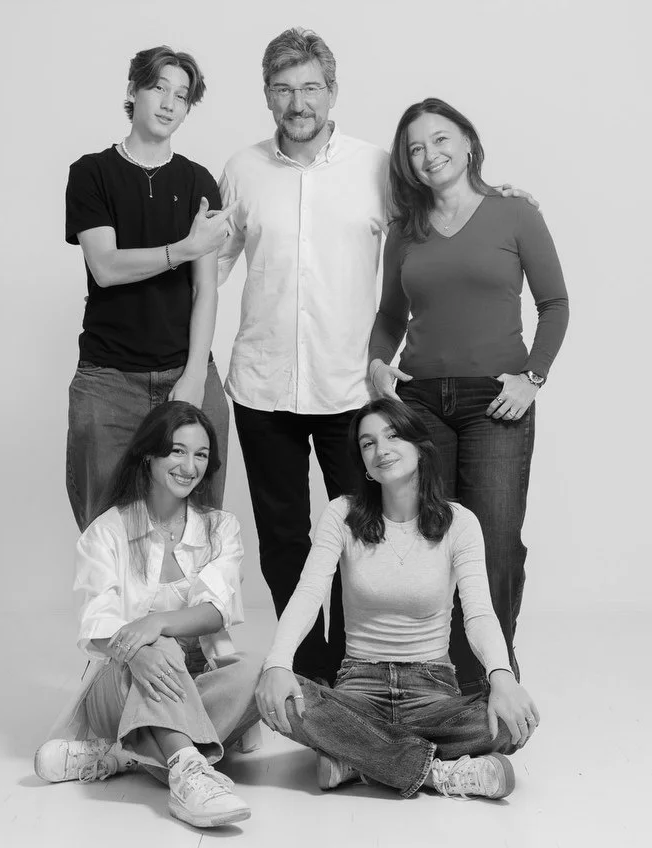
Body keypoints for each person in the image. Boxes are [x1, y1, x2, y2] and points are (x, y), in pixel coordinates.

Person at [218, 29, 536, 686]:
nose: (297, 101)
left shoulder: (374, 167)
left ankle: (364, 666)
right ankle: (313, 670)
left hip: (352, 392)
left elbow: (441, 204)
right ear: (268, 96)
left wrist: (500, 198)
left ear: (332, 92)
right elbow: (210, 266)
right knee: (284, 543)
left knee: (364, 540)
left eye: (310, 87)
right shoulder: (242, 170)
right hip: (261, 384)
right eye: (283, 88)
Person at [368, 98, 569, 695]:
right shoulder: (405, 230)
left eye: (440, 139)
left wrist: (531, 378)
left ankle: (492, 678)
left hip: (496, 402)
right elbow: (388, 315)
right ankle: (442, 675)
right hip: (421, 402)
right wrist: (378, 366)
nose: (430, 155)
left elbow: (554, 305)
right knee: (432, 540)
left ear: (468, 141)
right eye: (415, 148)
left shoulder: (515, 214)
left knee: (497, 540)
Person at [255, 398, 540, 800]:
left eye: (392, 435)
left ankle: (357, 755)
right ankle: (437, 775)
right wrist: (277, 663)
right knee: (275, 697)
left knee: (513, 721)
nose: (381, 449)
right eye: (368, 443)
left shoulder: (460, 523)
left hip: (432, 689)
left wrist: (502, 676)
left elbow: (478, 614)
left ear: (420, 447)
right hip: (359, 686)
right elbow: (309, 592)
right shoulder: (342, 514)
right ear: (364, 464)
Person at [35, 402, 261, 829]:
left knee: (256, 673)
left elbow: (217, 612)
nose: (189, 466)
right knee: (153, 646)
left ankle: (122, 755)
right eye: (176, 451)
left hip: (195, 681)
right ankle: (189, 776)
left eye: (200, 455)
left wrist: (157, 622)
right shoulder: (107, 531)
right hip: (122, 679)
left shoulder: (221, 528)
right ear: (149, 455)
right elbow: (97, 624)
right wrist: (140, 648)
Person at [65, 46, 237, 531]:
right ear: (132, 92)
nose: (168, 102)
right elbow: (106, 266)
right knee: (107, 529)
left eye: (181, 96)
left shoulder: (200, 181)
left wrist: (191, 378)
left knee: (197, 528)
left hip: (186, 368)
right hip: (108, 379)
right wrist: (184, 247)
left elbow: (207, 290)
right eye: (158, 87)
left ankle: (184, 612)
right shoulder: (91, 173)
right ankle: (122, 612)